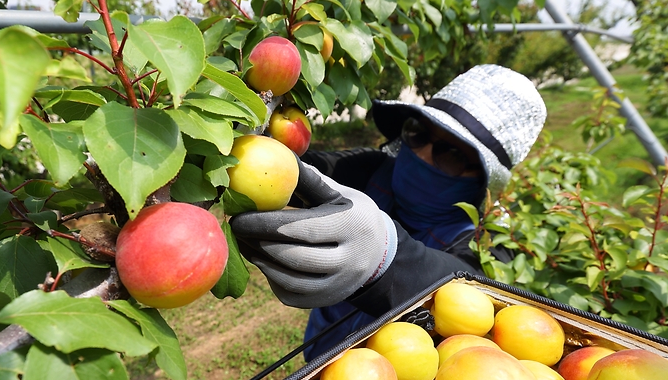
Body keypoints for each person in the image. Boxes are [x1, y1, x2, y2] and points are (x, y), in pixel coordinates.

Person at [230, 64, 547, 360]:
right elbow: (311, 171)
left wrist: (386, 258)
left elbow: (466, 287)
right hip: (322, 347)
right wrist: (254, 143)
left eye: (451, 154)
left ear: (481, 178)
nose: (421, 154)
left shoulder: (489, 241)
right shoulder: (376, 169)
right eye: (417, 133)